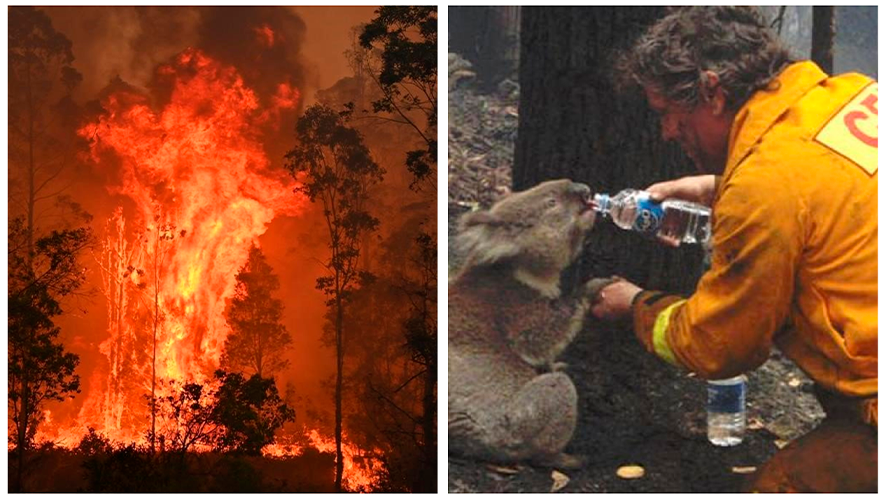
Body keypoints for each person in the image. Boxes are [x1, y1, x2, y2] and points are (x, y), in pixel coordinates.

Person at [591, 7, 877, 493]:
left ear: (711, 91)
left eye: (666, 115)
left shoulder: (765, 187)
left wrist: (637, 306)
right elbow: (821, 189)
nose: (665, 133)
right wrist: (716, 188)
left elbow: (720, 346)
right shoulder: (851, 96)